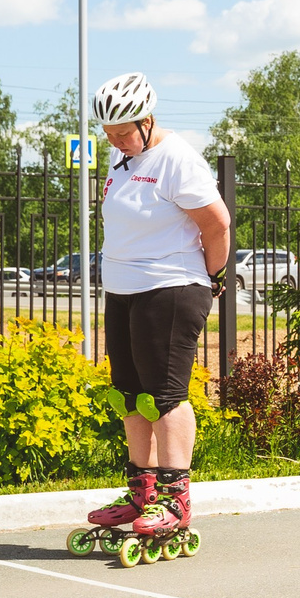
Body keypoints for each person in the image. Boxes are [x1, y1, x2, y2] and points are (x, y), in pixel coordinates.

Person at [81, 73, 233, 550]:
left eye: (124, 132)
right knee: (129, 394)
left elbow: (218, 223)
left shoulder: (177, 159)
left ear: (147, 121)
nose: (115, 140)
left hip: (171, 287)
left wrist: (211, 278)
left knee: (165, 395)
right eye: (108, 132)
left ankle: (174, 500)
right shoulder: (121, 158)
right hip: (124, 290)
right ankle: (141, 491)